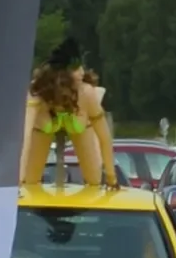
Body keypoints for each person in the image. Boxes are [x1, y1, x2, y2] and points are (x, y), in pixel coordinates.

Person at [20, 40, 116, 191]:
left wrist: (111, 177)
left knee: (94, 182)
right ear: (61, 74)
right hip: (42, 128)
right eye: (75, 69)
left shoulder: (86, 94)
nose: (82, 73)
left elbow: (104, 137)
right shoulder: (37, 94)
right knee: (29, 183)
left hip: (80, 123)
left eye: (81, 67)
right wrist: (19, 179)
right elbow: (24, 136)